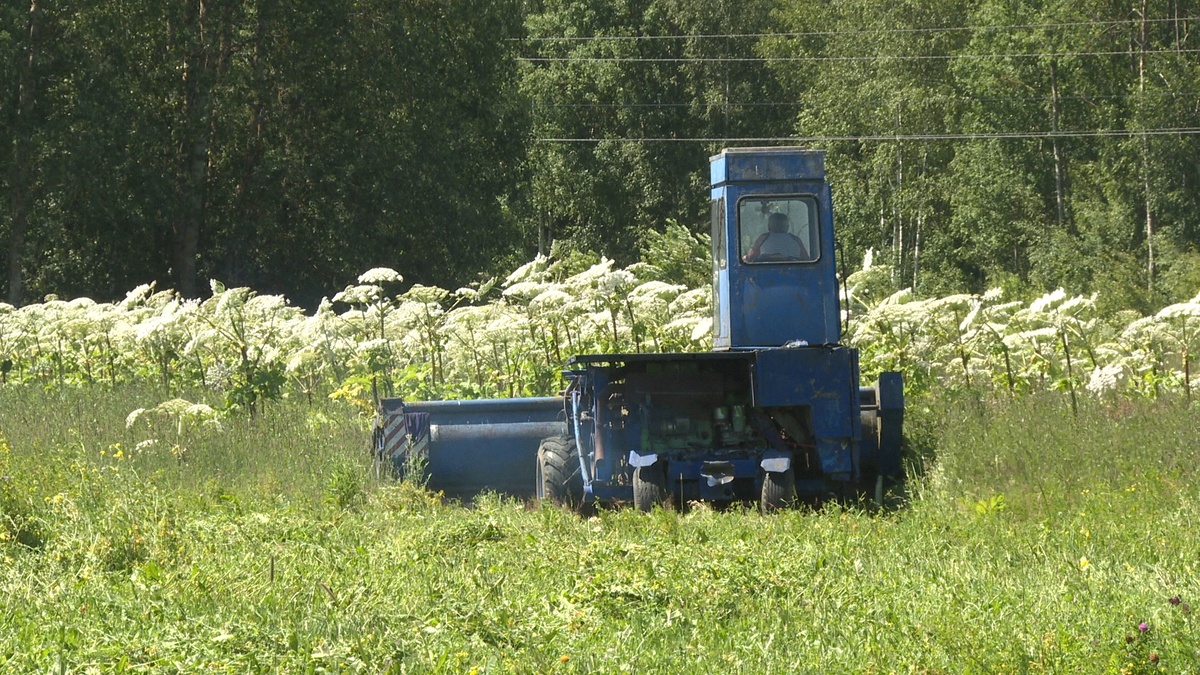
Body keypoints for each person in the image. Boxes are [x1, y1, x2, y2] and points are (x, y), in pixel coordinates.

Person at [743, 212, 809, 262]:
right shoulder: (796, 240)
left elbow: (751, 257)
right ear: (787, 227)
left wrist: (746, 257)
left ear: (769, 226)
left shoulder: (763, 238)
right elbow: (806, 259)